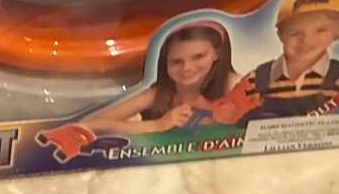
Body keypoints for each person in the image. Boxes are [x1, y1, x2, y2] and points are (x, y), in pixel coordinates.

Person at [82, 22, 238, 134]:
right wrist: (156, 126)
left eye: (198, 57)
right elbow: (88, 124)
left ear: (217, 53)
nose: (187, 68)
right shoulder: (157, 94)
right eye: (176, 62)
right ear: (164, 63)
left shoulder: (232, 85)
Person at [227, 0, 339, 122]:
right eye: (295, 33)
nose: (306, 40)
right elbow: (230, 119)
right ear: (280, 35)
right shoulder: (255, 80)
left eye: (321, 30)